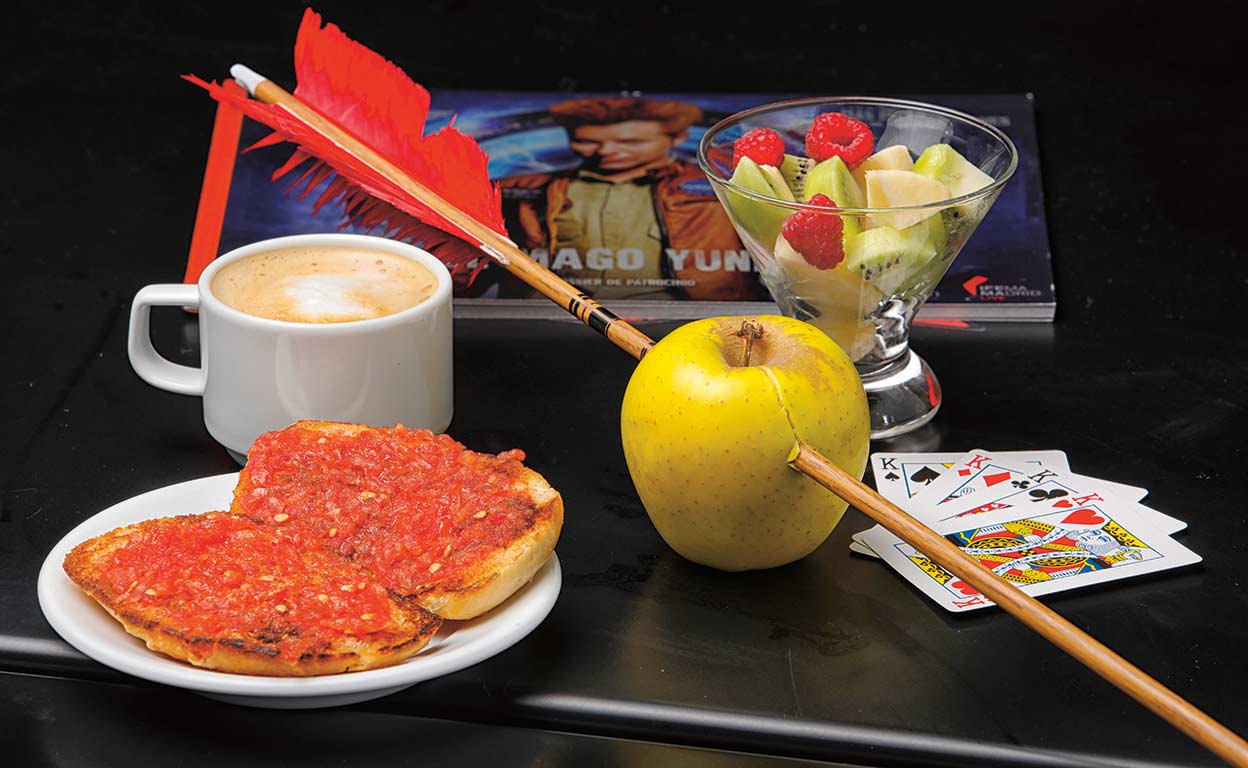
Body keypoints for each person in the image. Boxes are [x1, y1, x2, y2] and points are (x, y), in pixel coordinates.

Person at [492, 97, 767, 302]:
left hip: (689, 316)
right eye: (586, 141)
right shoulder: (522, 187)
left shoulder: (723, 184)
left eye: (631, 142)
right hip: (550, 312)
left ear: (677, 137)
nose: (607, 151)